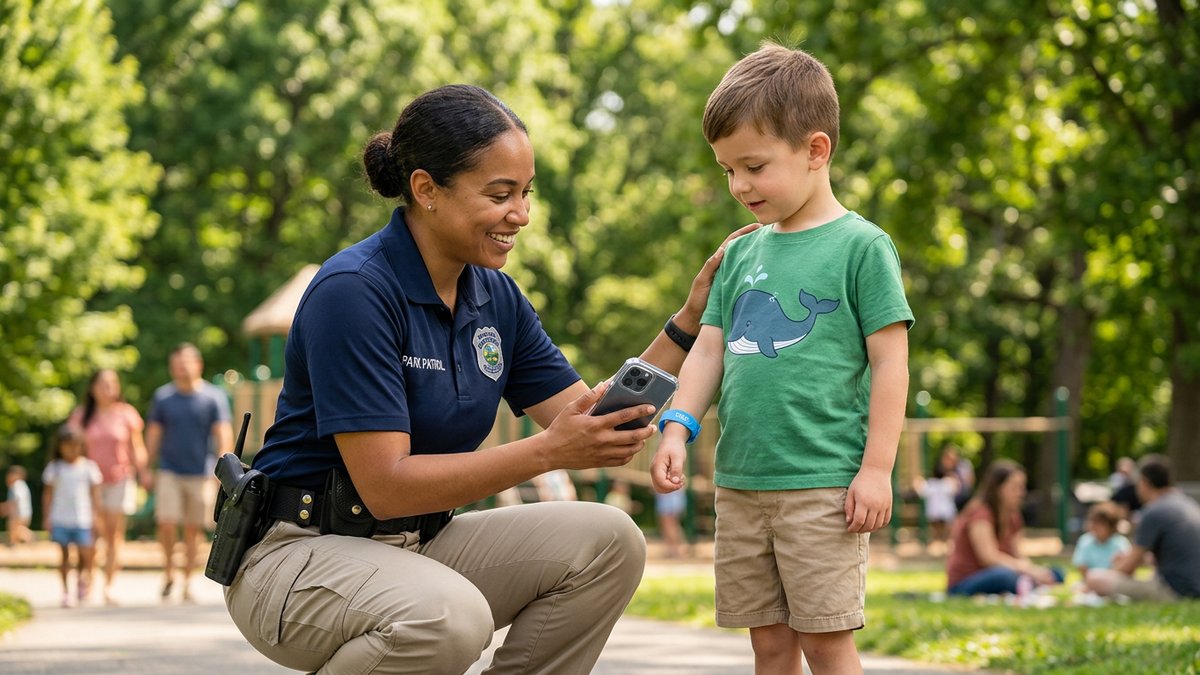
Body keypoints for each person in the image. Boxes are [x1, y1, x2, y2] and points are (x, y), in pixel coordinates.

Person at [222, 83, 757, 674]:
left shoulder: (494, 297)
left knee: (610, 540)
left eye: (525, 193)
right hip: (299, 556)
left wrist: (688, 319)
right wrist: (549, 453)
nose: (521, 215)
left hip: (417, 547)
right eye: (500, 194)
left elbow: (587, 417)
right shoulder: (354, 291)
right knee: (450, 619)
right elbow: (386, 485)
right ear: (426, 189)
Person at [650, 42, 914, 674]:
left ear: (816, 151)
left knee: (825, 640)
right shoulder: (740, 253)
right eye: (727, 171)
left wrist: (877, 469)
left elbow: (891, 366)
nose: (740, 186)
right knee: (767, 643)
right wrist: (677, 425)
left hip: (822, 484)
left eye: (754, 166)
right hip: (742, 484)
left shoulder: (862, 248)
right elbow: (712, 347)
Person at [145, 343, 233, 602]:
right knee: (167, 522)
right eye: (176, 363)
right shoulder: (163, 397)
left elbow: (222, 432)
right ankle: (169, 571)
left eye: (186, 362)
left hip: (201, 472)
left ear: (198, 364)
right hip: (169, 470)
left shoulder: (213, 396)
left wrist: (222, 468)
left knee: (194, 528)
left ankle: (187, 580)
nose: (181, 368)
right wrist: (146, 468)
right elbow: (153, 434)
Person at [68, 369, 149, 604]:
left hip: (119, 479)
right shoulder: (81, 416)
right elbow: (71, 448)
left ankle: (110, 584)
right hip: (88, 484)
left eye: (112, 383)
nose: (108, 388)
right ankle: (87, 577)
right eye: (103, 384)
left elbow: (137, 447)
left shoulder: (127, 414)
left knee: (114, 535)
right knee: (89, 534)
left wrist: (143, 473)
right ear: (93, 388)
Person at [1084, 454, 1200, 601]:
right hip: (1195, 587)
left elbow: (1127, 568)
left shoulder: (1154, 511)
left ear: (1144, 482)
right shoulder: (1188, 504)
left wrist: (1091, 583)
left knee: (1095, 578)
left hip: (1176, 591)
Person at [945, 459, 1063, 596]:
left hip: (1005, 572)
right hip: (968, 582)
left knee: (1056, 573)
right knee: (1004, 576)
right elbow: (989, 558)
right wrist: (1026, 570)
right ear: (998, 488)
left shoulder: (1013, 516)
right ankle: (1028, 585)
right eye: (1015, 487)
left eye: (1022, 487)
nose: (1021, 492)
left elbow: (1017, 554)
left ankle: (1029, 584)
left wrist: (1034, 571)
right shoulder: (980, 514)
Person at [41, 424, 102, 607]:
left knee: (86, 553)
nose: (71, 450)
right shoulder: (55, 468)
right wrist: (47, 516)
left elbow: (95, 494)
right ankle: (66, 591)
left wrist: (96, 515)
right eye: (67, 446)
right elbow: (48, 494)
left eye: (75, 446)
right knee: (64, 555)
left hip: (82, 518)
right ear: (60, 447)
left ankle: (83, 580)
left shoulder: (88, 467)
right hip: (60, 518)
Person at [1071, 501, 1130, 577]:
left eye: (1100, 523)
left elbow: (1126, 567)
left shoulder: (1120, 543)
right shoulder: (1085, 541)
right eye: (1093, 522)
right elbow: (1082, 567)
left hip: (1114, 581)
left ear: (1110, 526)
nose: (1095, 526)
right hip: (1090, 581)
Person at [917, 460, 959, 545]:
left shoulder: (930, 484)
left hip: (934, 511)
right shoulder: (948, 482)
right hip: (946, 511)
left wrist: (918, 481)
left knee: (936, 530)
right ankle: (945, 542)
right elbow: (955, 490)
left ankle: (937, 543)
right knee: (947, 530)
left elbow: (921, 491)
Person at [4, 465, 34, 546]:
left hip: (19, 513)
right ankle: (14, 544)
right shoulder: (22, 485)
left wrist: (5, 508)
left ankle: (28, 538)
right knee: (17, 529)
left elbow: (16, 500)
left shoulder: (16, 485)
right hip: (25, 513)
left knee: (15, 528)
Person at [654, 488, 687, 559]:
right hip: (673, 498)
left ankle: (674, 549)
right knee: (673, 525)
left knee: (668, 526)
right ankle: (675, 548)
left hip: (667, 498)